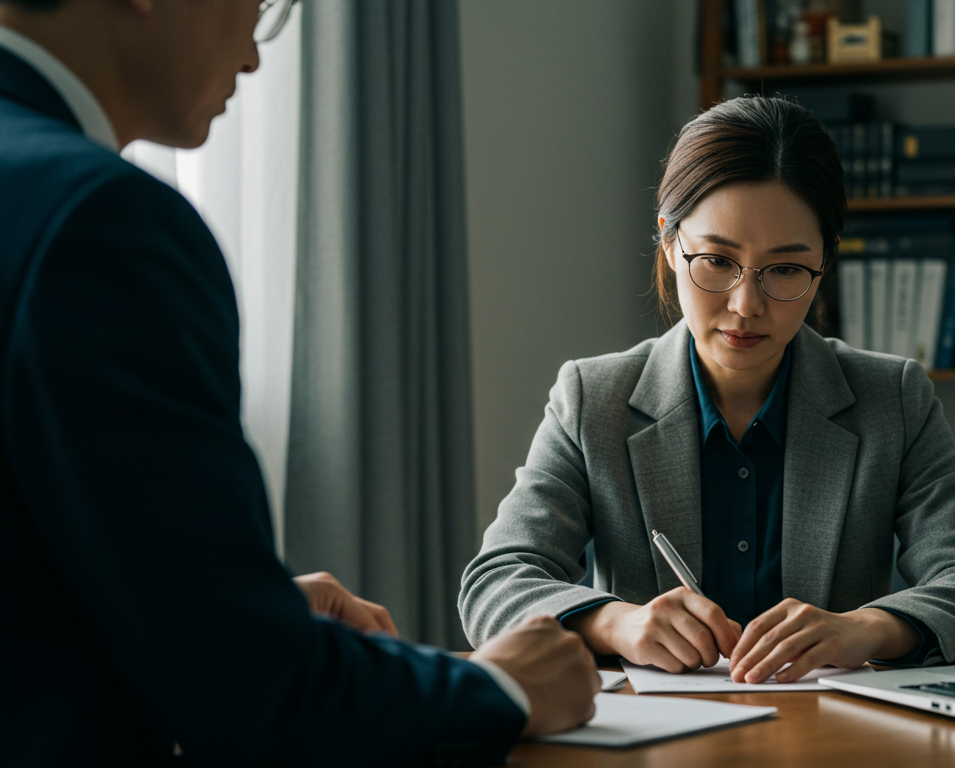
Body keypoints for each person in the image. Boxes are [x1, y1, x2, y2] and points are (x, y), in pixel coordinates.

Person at [0, 0, 597, 764]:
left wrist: (249, 603)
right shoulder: (100, 220)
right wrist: (502, 688)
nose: (252, 55)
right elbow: (256, 694)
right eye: (256, 5)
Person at [460, 96, 955, 686]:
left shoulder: (892, 398)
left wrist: (867, 628)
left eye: (785, 270)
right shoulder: (594, 399)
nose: (746, 305)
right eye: (716, 261)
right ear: (668, 242)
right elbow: (495, 584)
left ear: (825, 263)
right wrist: (617, 624)